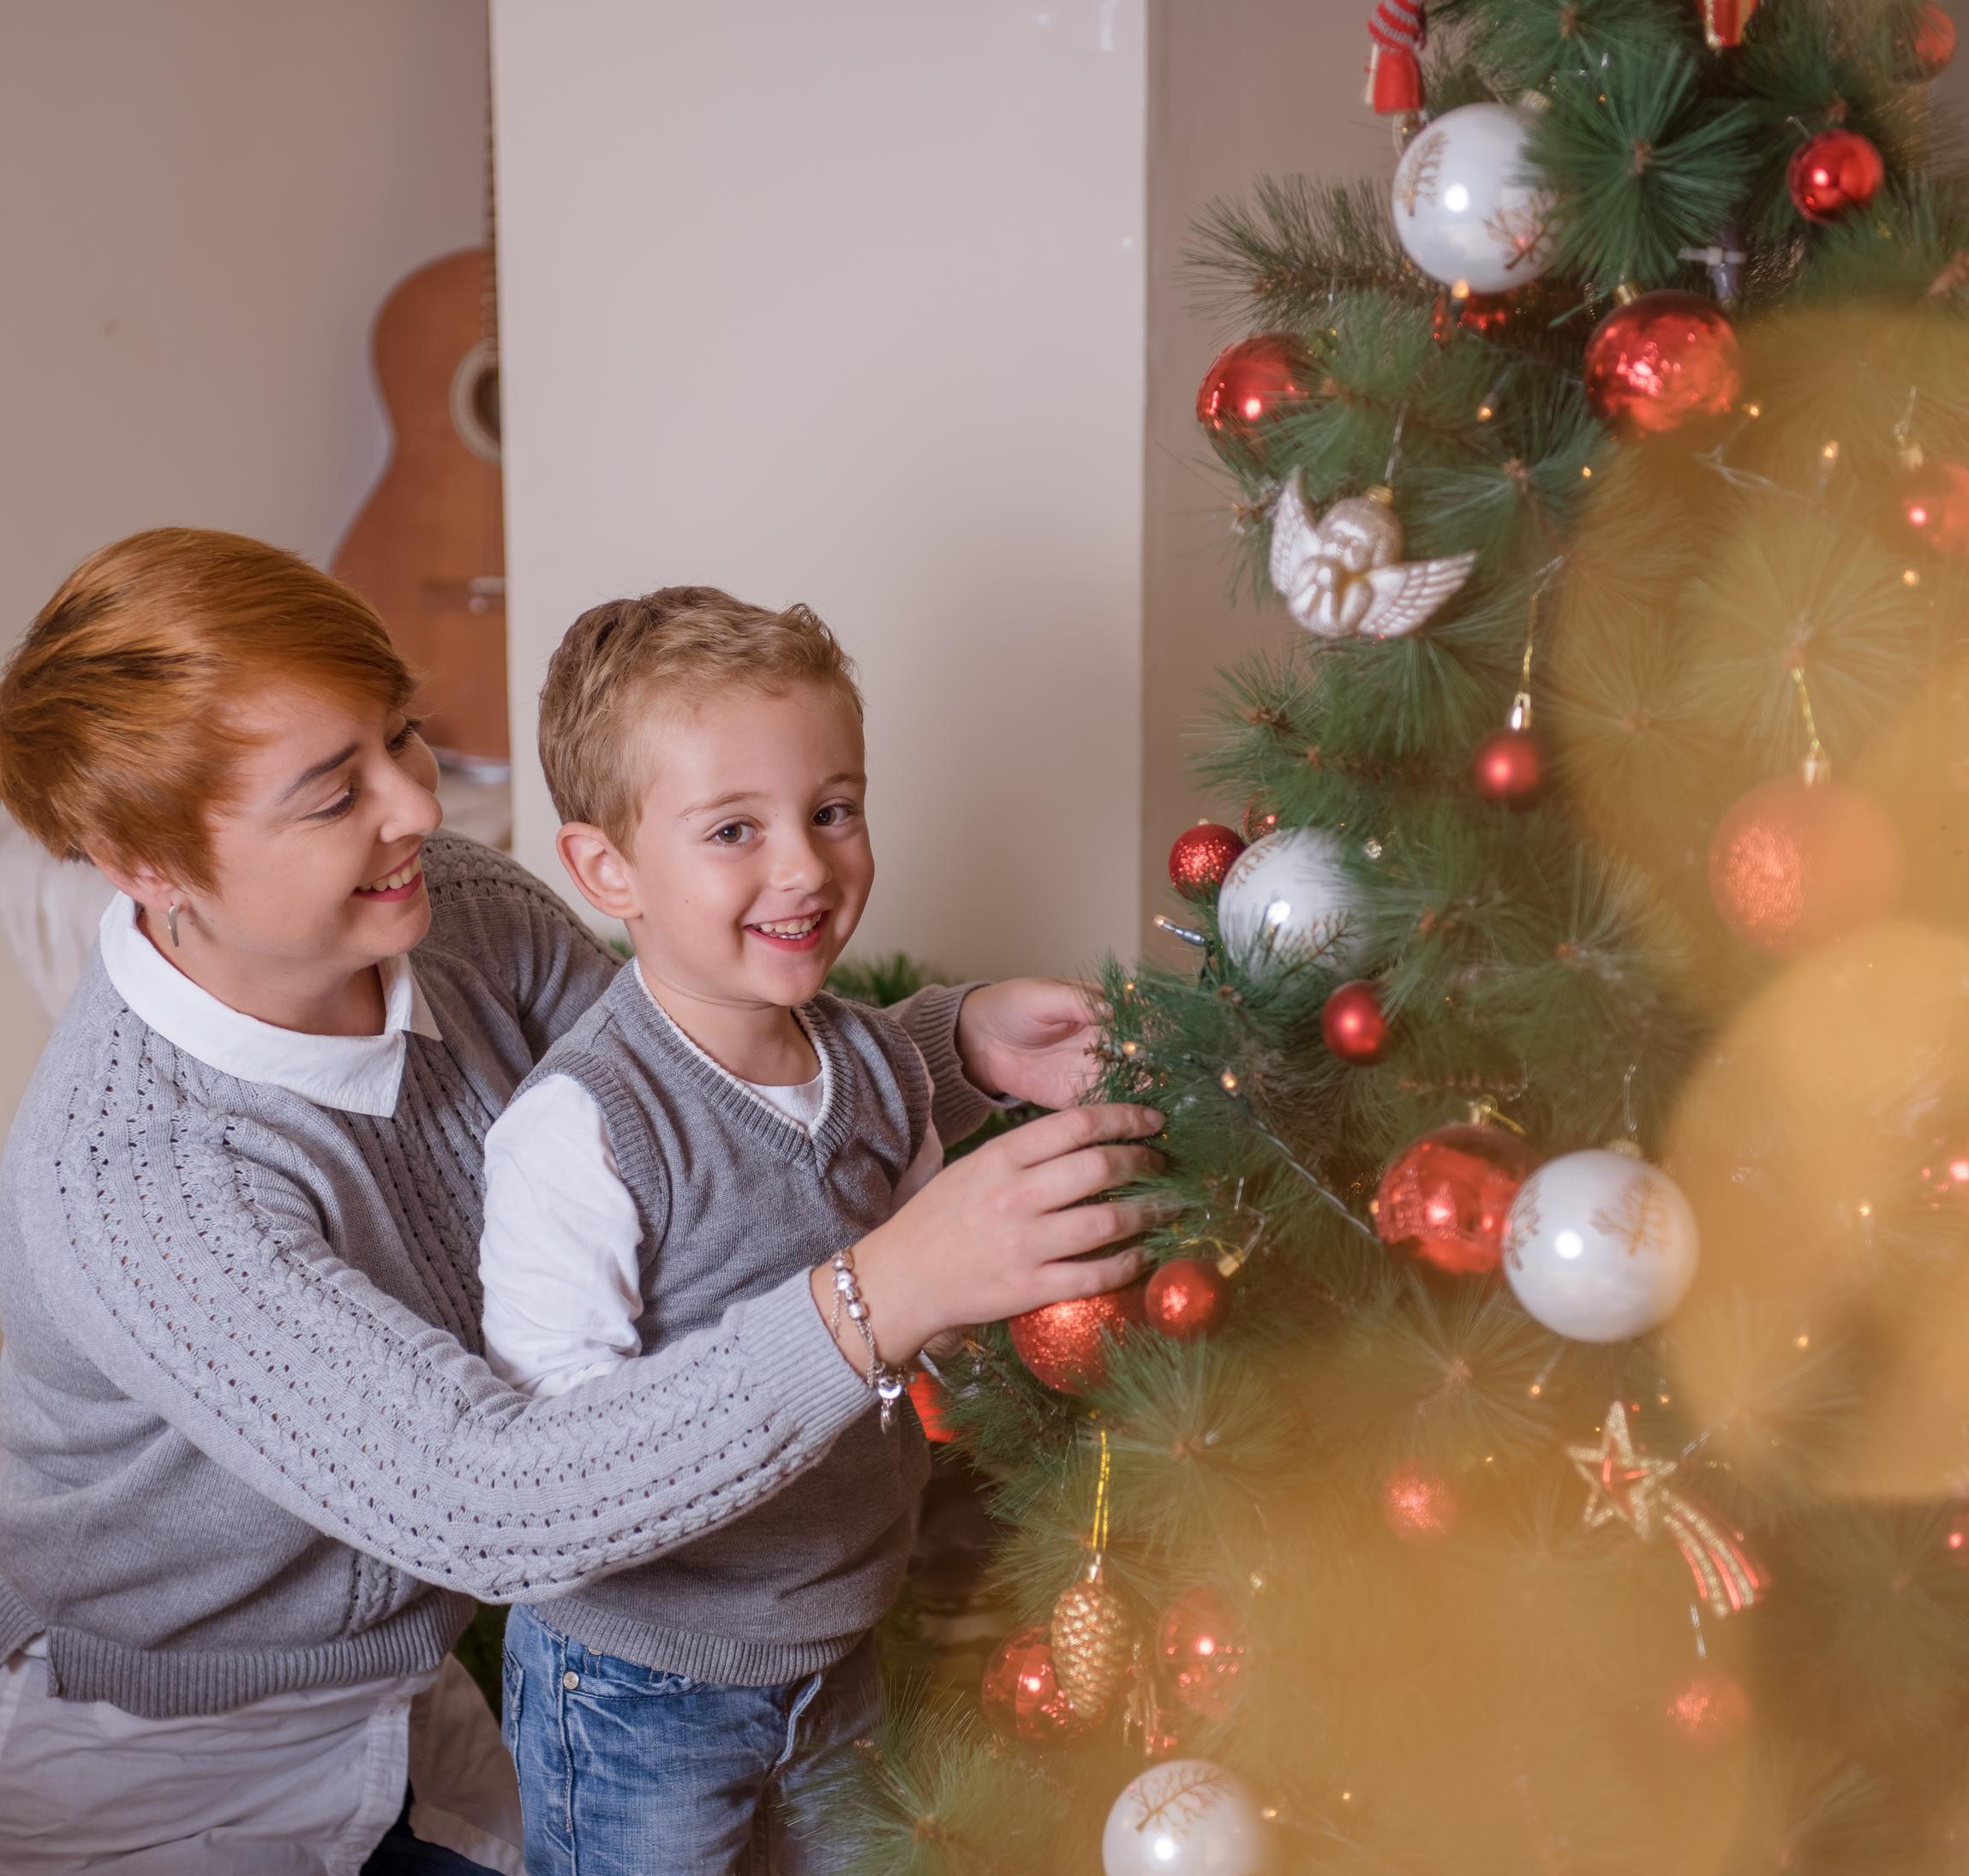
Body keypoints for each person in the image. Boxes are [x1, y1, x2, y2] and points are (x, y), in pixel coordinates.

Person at [0, 529, 1164, 1874]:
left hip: (424, 1686)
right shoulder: (140, 1177)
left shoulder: (452, 912)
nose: (419, 808)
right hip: (160, 1760)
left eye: (404, 736)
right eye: (333, 794)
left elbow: (687, 1102)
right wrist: (885, 1293)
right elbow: (493, 1503)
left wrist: (941, 1048)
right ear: (144, 860)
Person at [478, 587, 1065, 1872]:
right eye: (734, 829)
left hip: (843, 1634)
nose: (804, 865)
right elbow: (567, 1465)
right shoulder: (582, 1132)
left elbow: (921, 1268)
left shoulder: (868, 1056)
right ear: (605, 868)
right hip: (637, 1689)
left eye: (834, 809)